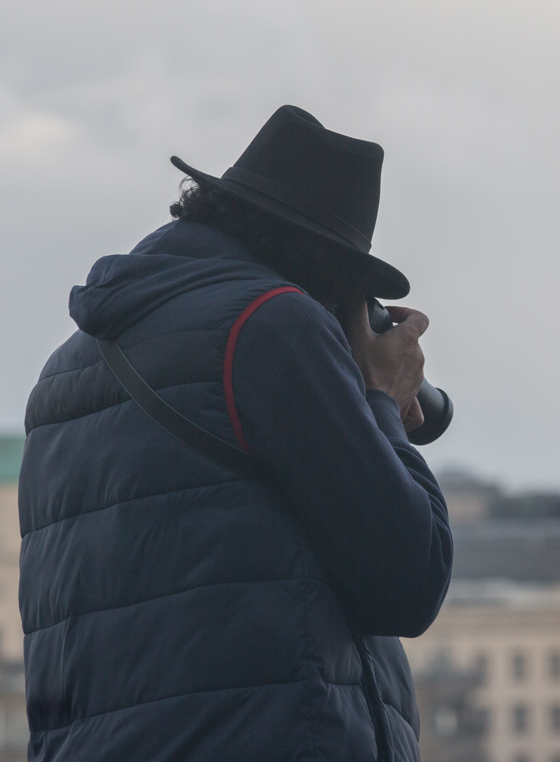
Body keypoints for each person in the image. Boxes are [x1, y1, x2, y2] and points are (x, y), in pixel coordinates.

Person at [18, 105, 453, 761]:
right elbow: (409, 583)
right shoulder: (274, 325)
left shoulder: (62, 371)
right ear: (329, 275)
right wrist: (383, 400)